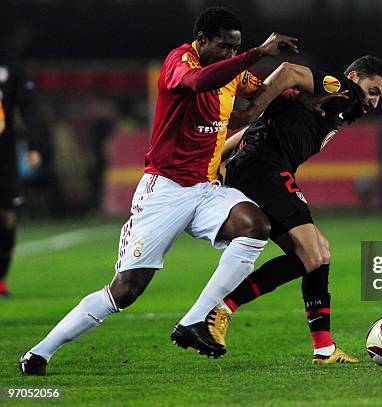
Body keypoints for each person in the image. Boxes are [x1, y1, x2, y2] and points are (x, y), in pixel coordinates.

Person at [20, 6, 300, 376]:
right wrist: (258, 53)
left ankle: (194, 321)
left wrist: (310, 99)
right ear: (201, 41)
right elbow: (198, 83)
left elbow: (265, 92)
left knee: (256, 226)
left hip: (206, 188)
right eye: (223, 46)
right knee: (126, 290)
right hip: (164, 190)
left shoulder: (234, 72)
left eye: (236, 48)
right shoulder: (178, 62)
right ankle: (40, 352)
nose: (230, 54)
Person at [216, 55, 382, 364]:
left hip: (258, 168)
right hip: (265, 170)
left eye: (380, 98)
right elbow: (288, 71)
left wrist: (219, 157)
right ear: (355, 76)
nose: (374, 103)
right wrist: (252, 110)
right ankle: (222, 307)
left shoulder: (333, 107)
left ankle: (323, 348)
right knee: (314, 253)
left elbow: (257, 128)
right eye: (373, 91)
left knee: (317, 253)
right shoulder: (343, 90)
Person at [0, 48, 46, 298]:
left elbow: (28, 107)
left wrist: (35, 144)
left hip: (4, 154)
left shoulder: (11, 64)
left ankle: (1, 277)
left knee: (7, 218)